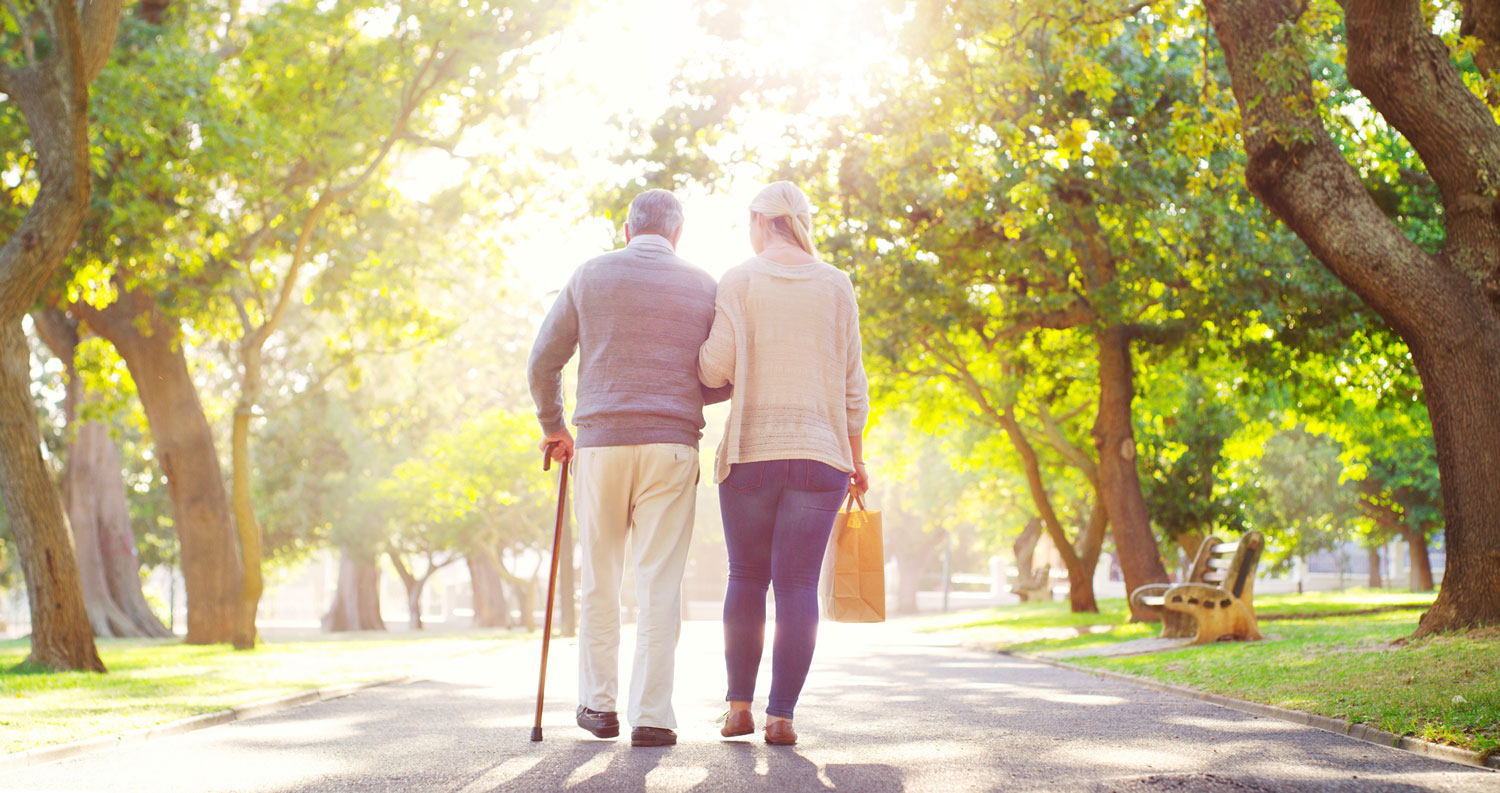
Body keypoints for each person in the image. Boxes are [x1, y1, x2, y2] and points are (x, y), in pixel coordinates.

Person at [527, 189, 725, 748]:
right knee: (660, 584)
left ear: (627, 228)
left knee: (601, 579)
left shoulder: (590, 275)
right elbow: (724, 373)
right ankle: (654, 717)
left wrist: (553, 426)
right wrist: (676, 393)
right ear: (678, 233)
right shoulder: (705, 284)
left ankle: (599, 707)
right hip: (672, 446)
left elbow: (543, 360)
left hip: (601, 444)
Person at [698, 181, 870, 746]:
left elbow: (712, 368)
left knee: (746, 578)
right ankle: (782, 717)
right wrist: (856, 458)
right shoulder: (836, 284)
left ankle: (739, 709)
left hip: (751, 453)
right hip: (823, 455)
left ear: (757, 220)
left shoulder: (739, 279)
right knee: (797, 583)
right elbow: (853, 382)